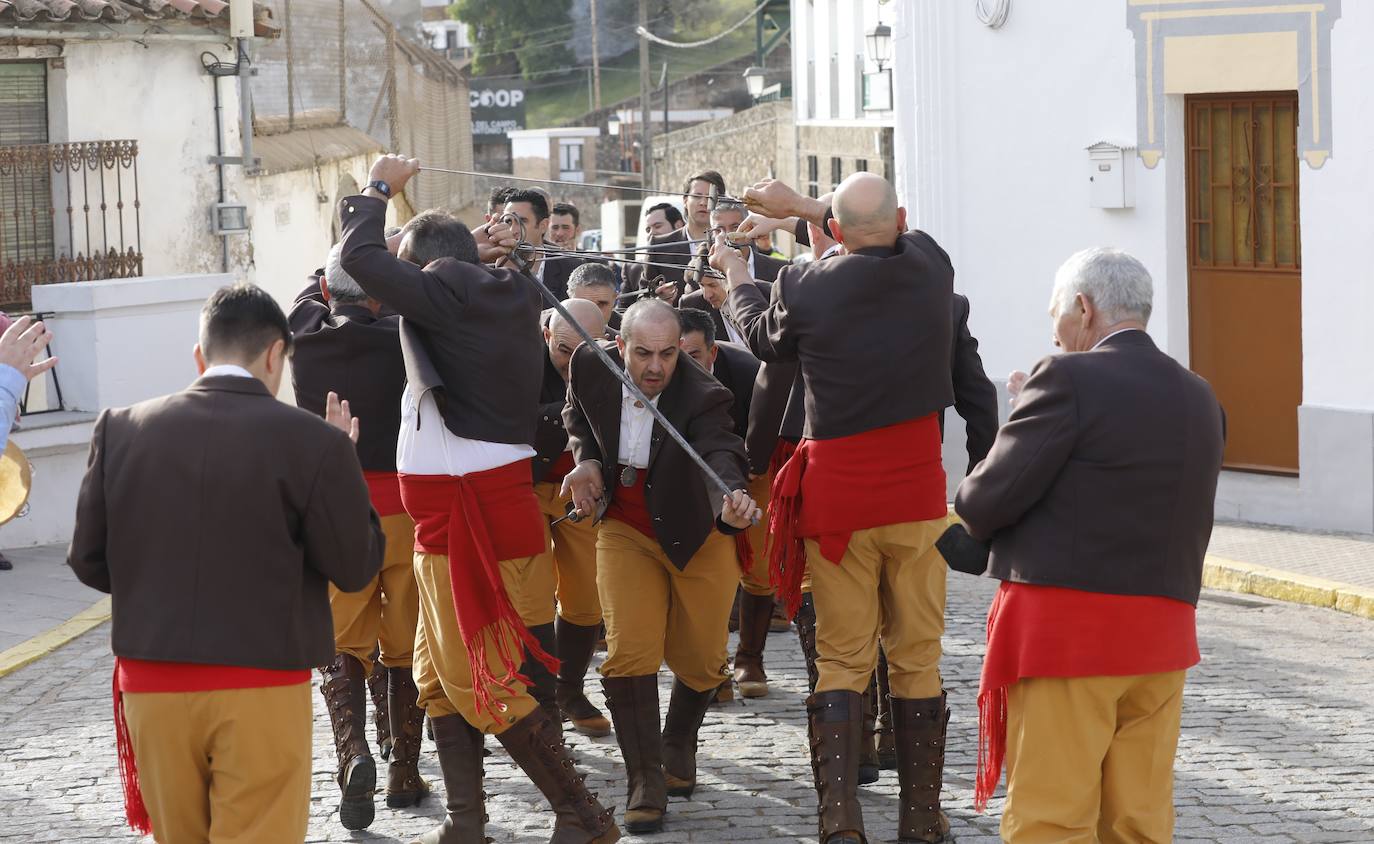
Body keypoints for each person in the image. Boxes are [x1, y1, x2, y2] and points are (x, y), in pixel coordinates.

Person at [340, 154, 619, 844]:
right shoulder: (507, 290)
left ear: (427, 271)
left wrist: (379, 189)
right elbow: (448, 262)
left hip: (466, 520)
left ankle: (582, 814)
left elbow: (361, 256)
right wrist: (473, 249)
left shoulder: (449, 290)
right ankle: (466, 822)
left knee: (477, 683)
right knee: (438, 679)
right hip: (470, 513)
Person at [68, 283, 384, 843]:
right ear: (274, 355)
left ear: (200, 355)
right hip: (260, 677)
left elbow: (89, 560)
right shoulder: (315, 442)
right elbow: (355, 566)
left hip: (151, 680)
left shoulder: (120, 427)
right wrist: (343, 471)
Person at [717, 173, 956, 844]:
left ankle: (840, 822)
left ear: (838, 235)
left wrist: (739, 271)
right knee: (917, 657)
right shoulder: (931, 266)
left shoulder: (803, 285)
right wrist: (802, 209)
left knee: (842, 660)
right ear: (903, 219)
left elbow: (762, 342)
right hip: (916, 495)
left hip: (840, 499)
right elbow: (876, 237)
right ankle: (917, 823)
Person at [955, 248, 1225, 844]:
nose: (1054, 328)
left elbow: (984, 499)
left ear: (1083, 307)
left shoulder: (1065, 377)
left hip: (1070, 632)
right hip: (1164, 633)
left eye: (1056, 313)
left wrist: (1025, 409)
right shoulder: (1200, 394)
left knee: (1052, 817)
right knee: (1139, 820)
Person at [561, 299, 760, 835]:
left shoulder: (706, 393)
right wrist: (585, 460)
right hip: (624, 529)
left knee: (702, 658)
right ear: (619, 346)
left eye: (668, 354)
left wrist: (732, 494)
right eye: (643, 353)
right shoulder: (587, 364)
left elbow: (722, 448)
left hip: (698, 531)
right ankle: (644, 780)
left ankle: (677, 740)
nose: (655, 367)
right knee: (630, 650)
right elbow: (576, 414)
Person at [290, 243, 427, 829]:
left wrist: (339, 266)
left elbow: (304, 300)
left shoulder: (305, 340)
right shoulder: (405, 335)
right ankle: (404, 768)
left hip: (339, 507)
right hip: (407, 504)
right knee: (404, 641)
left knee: (344, 640)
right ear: (379, 295)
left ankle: (354, 754)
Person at [678, 308, 779, 701]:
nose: (682, 365)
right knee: (707, 568)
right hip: (686, 476)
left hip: (752, 467)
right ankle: (710, 664)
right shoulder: (655, 370)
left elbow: (769, 420)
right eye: (675, 353)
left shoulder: (749, 369)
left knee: (760, 566)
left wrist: (751, 469)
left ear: (713, 352)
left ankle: (750, 657)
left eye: (694, 356)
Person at [531, 299, 614, 737]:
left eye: (588, 350)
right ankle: (535, 701)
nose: (574, 363)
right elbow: (512, 420)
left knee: (586, 598)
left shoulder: (609, 362)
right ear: (546, 334)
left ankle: (568, 688)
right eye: (565, 350)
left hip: (580, 492)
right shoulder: (519, 357)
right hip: (523, 488)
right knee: (532, 594)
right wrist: (569, 419)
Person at [621, 171, 725, 297]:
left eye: (710, 197)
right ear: (685, 200)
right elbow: (644, 298)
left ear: (720, 202)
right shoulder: (659, 246)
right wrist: (661, 300)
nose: (703, 202)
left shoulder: (730, 245)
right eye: (697, 196)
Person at [504, 189, 585, 300]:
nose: (513, 230)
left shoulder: (571, 268)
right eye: (508, 222)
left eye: (522, 221)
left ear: (543, 225)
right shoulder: (493, 267)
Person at [569, 261, 622, 334]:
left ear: (615, 299)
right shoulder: (550, 326)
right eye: (583, 306)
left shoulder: (630, 335)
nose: (592, 315)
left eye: (601, 304)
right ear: (569, 299)